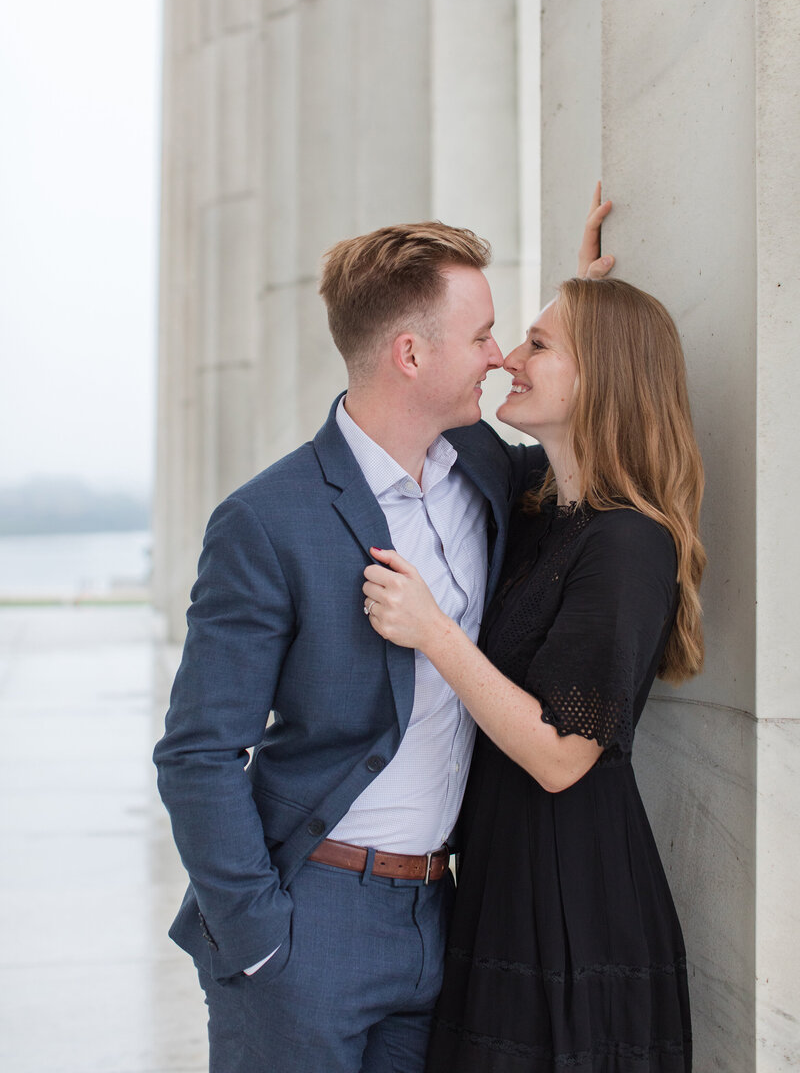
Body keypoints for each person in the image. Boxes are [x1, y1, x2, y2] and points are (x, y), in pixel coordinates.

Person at [153, 192, 614, 1073]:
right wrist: (260, 938)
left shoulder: (481, 467)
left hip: (439, 913)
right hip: (309, 916)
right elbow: (198, 753)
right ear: (410, 353)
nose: (497, 355)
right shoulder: (266, 521)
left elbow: (577, 440)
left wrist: (586, 314)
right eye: (481, 336)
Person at [362, 275, 705, 1072]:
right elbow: (456, 419)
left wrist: (433, 633)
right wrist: (580, 283)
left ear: (604, 377)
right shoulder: (538, 506)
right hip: (504, 884)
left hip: (572, 907)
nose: (508, 358)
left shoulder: (627, 546)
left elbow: (560, 756)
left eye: (537, 345)